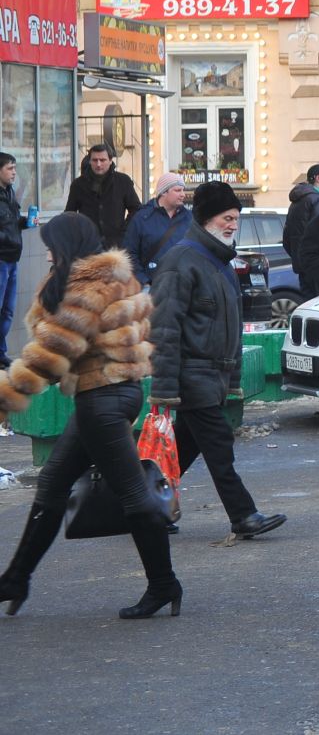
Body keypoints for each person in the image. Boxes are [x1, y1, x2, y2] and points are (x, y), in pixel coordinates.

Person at [0, 213, 179, 618]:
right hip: (116, 392)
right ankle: (16, 577)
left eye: (50, 244)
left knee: (134, 494)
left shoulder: (82, 289)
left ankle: (165, 584)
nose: (46, 251)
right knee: (51, 484)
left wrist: (5, 398)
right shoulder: (116, 278)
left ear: (65, 246)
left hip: (102, 399)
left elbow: (49, 358)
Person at [149, 181, 288, 541]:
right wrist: (164, 389)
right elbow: (164, 329)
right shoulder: (180, 261)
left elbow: (232, 329)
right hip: (192, 376)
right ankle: (243, 516)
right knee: (219, 449)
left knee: (182, 449)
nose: (232, 225)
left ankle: (136, 505)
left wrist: (234, 379)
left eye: (236, 219)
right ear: (207, 219)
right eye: (227, 218)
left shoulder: (221, 262)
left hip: (213, 376)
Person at [123, 173, 194, 288]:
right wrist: (144, 281)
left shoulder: (190, 218)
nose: (183, 195)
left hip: (183, 287)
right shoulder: (142, 218)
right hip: (151, 287)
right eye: (177, 190)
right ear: (164, 192)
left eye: (183, 190)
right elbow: (129, 253)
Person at [64, 145, 141, 249]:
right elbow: (69, 213)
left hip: (117, 245)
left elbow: (136, 209)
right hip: (88, 245)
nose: (98, 164)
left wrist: (125, 230)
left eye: (102, 160)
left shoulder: (123, 181)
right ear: (90, 161)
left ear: (110, 160)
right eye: (95, 160)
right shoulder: (78, 184)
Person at [283, 164, 319, 294]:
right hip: (317, 266)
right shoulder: (317, 201)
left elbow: (287, 238)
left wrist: (299, 257)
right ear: (318, 178)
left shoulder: (296, 202)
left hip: (302, 266)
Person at [0, 153, 26, 368]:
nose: (14, 172)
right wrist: (9, 238)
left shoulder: (9, 194)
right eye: (10, 168)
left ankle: (1, 353)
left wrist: (25, 222)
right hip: (1, 258)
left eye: (14, 168)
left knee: (8, 310)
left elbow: (12, 222)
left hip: (12, 259)